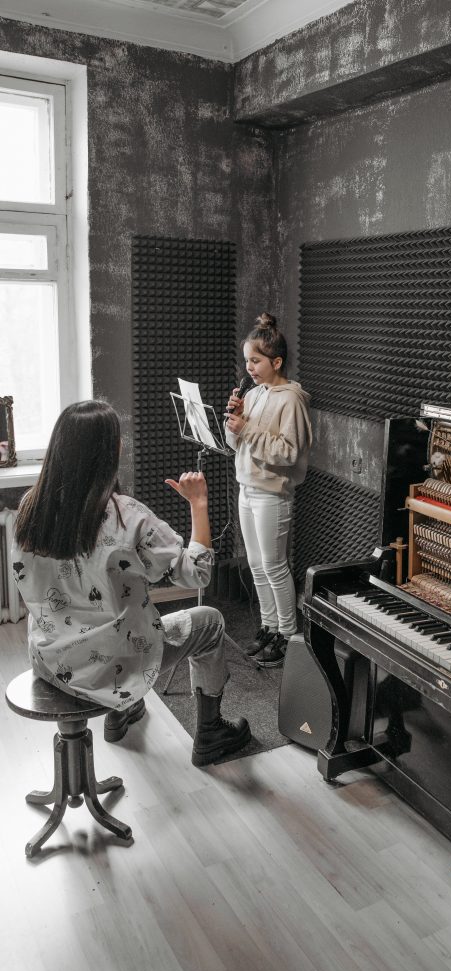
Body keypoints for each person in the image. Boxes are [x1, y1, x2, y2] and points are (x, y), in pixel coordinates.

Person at [12, 400, 251, 767]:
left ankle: (123, 710)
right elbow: (196, 573)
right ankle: (212, 733)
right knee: (210, 622)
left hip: (50, 658)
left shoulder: (31, 507)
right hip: (114, 663)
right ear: (112, 451)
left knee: (108, 620)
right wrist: (198, 504)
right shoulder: (128, 516)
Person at [225, 312, 312, 667]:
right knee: (257, 566)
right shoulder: (256, 393)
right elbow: (238, 446)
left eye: (256, 360)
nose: (250, 367)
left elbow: (289, 453)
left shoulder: (291, 400)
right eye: (247, 360)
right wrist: (234, 423)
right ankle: (268, 626)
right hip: (247, 487)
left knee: (275, 566)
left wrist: (245, 429)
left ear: (276, 361)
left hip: (272, 493)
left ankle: (288, 635)